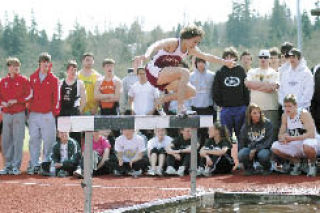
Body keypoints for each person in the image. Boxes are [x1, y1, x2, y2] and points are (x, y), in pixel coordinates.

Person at [134, 25, 235, 115]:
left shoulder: (191, 49)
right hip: (154, 72)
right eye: (194, 41)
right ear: (186, 38)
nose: (195, 45)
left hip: (165, 78)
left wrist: (224, 62)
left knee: (191, 92)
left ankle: (161, 100)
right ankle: (181, 108)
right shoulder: (173, 43)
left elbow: (207, 56)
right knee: (185, 72)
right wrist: (146, 55)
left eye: (198, 43)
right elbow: (155, 45)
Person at [272, 94, 320, 177]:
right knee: (275, 146)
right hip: (296, 144)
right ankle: (297, 163)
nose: (287, 109)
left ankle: (312, 165)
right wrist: (283, 138)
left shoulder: (303, 113)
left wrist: (292, 138)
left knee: (308, 144)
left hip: (313, 143)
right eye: (285, 106)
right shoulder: (284, 115)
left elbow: (311, 134)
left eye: (290, 106)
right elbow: (280, 134)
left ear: (296, 106)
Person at [27, 52, 60, 175]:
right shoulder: (32, 77)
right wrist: (29, 111)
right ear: (39, 63)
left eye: (47, 62)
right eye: (43, 62)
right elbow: (29, 96)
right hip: (34, 114)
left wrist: (53, 113)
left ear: (50, 64)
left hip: (48, 114)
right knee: (34, 139)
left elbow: (56, 98)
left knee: (48, 141)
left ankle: (46, 163)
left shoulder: (53, 79)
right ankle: (35, 164)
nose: (46, 64)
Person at [0, 58, 32, 175]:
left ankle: (15, 166)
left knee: (18, 140)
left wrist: (16, 101)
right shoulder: (3, 81)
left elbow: (29, 95)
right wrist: (3, 103)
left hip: (19, 113)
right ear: (9, 67)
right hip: (7, 114)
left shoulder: (24, 80)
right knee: (6, 140)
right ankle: (7, 166)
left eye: (17, 65)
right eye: (13, 65)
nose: (16, 67)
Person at [212, 47, 250, 143]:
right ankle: (227, 156)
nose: (229, 58)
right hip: (226, 109)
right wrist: (220, 104)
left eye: (231, 56)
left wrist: (246, 104)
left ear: (235, 58)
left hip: (240, 108)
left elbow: (246, 89)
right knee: (225, 135)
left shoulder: (240, 70)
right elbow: (215, 90)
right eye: (226, 57)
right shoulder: (220, 72)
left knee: (241, 135)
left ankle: (241, 155)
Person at [245, 50, 279, 140]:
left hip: (271, 108)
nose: (263, 59)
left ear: (269, 60)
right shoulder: (252, 71)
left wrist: (256, 86)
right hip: (255, 109)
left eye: (265, 57)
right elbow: (248, 84)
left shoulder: (275, 73)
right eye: (261, 57)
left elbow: (272, 87)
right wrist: (266, 85)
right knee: (255, 135)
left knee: (271, 134)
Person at [238, 104, 274, 175]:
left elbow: (268, 142)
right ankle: (249, 168)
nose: (257, 115)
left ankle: (267, 168)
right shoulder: (246, 126)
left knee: (263, 155)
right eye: (254, 113)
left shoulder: (267, 124)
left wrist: (256, 149)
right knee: (242, 153)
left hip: (264, 149)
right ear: (249, 114)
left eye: (259, 112)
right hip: (250, 149)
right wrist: (244, 157)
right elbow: (242, 141)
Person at [190, 57, 216, 146]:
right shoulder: (191, 76)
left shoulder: (212, 75)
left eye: (203, 62)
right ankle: (195, 155)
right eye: (199, 62)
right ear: (196, 63)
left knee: (207, 133)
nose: (201, 64)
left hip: (208, 108)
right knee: (196, 133)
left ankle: (205, 153)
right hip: (195, 109)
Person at [59, 60, 86, 144]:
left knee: (76, 137)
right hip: (63, 112)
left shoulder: (80, 83)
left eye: (75, 70)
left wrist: (79, 111)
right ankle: (63, 155)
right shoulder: (60, 83)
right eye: (71, 69)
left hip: (75, 111)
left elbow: (84, 100)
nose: (73, 72)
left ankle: (77, 156)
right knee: (63, 137)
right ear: (67, 71)